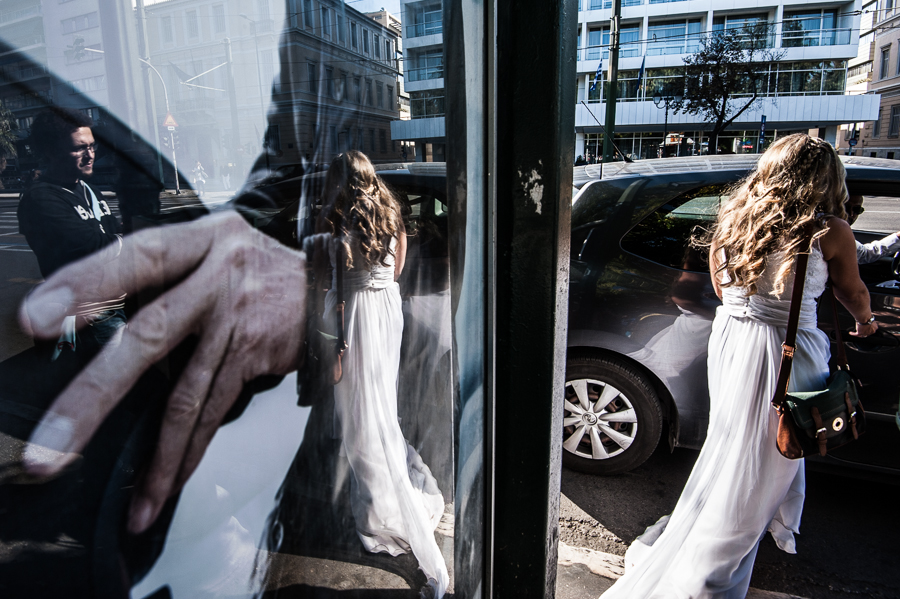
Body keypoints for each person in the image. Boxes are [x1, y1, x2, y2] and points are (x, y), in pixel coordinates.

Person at [600, 134, 876, 599]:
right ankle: (710, 571)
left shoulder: (734, 217)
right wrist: (867, 323)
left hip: (734, 339)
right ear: (826, 179)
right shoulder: (829, 230)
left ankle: (728, 526)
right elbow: (853, 292)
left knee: (734, 444)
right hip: (788, 349)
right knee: (775, 451)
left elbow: (719, 282)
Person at [313, 151, 449, 597]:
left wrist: (337, 342)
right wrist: (375, 290)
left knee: (358, 418)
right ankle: (391, 490)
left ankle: (378, 513)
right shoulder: (390, 212)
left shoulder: (336, 221)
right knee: (379, 406)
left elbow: (334, 287)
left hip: (354, 317)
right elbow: (398, 268)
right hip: (386, 311)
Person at [17, 107, 126, 360]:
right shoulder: (41, 198)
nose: (90, 155)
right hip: (90, 316)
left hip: (115, 304)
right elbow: (90, 246)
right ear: (50, 152)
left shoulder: (88, 189)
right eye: (79, 148)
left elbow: (112, 233)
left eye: (92, 146)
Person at [846, 195, 900, 264]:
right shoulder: (835, 234)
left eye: (857, 210)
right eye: (846, 207)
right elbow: (864, 255)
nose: (851, 214)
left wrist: (898, 236)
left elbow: (863, 254)